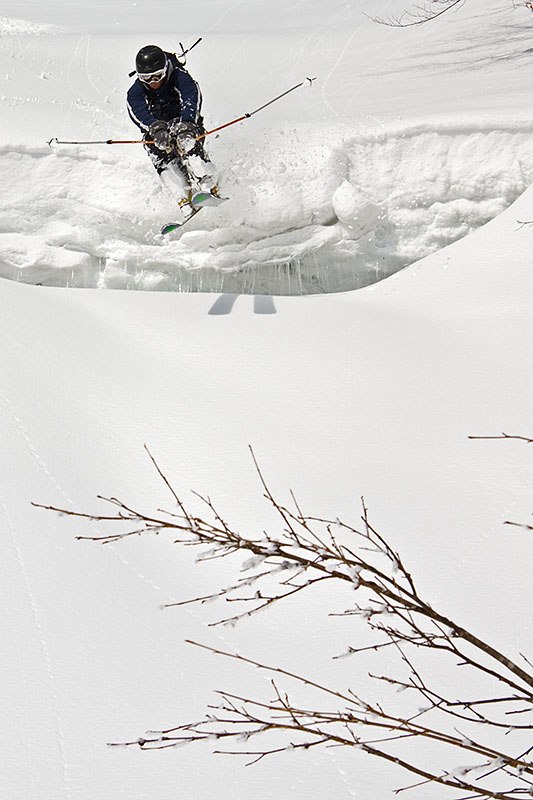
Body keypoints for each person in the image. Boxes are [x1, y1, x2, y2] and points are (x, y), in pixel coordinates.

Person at [127, 44, 218, 204]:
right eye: (146, 78)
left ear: (165, 70)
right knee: (157, 150)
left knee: (187, 143)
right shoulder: (135, 91)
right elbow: (138, 112)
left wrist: (187, 123)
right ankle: (182, 195)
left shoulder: (179, 76)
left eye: (157, 76)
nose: (153, 82)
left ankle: (207, 182)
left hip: (185, 124)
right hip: (158, 130)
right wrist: (154, 127)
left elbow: (191, 98)